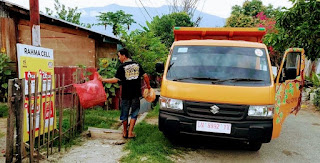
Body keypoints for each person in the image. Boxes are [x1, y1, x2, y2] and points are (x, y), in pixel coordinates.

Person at [98, 48, 151, 138]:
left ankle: (125, 132)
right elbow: (145, 76)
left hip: (126, 94)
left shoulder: (121, 67)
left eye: (119, 56)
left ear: (124, 56)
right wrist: (148, 87)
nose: (119, 58)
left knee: (124, 113)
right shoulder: (137, 65)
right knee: (134, 113)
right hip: (136, 94)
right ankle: (130, 133)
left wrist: (103, 79)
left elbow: (115, 80)